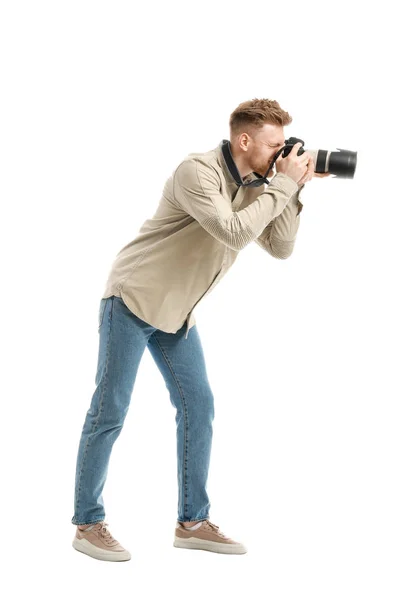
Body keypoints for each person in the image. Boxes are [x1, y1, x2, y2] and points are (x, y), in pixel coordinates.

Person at [71, 98, 330, 562]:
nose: (280, 153)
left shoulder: (260, 185)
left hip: (177, 312)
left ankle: (192, 521)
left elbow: (282, 247)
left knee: (199, 405)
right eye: (274, 144)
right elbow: (231, 231)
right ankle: (87, 523)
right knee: (110, 409)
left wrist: (292, 189)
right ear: (243, 140)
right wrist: (282, 185)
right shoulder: (198, 171)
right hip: (133, 299)